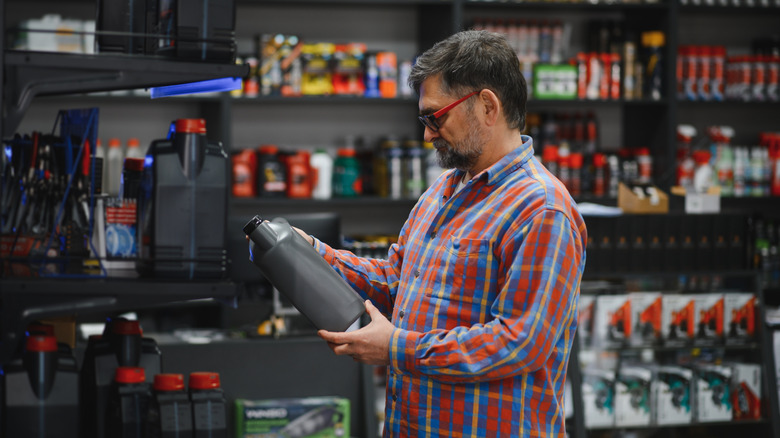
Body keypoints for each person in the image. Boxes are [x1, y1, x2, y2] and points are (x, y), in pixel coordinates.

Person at [297, 30, 587, 437]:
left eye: (436, 117)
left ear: (487, 106)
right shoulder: (443, 191)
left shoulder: (541, 209)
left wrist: (396, 348)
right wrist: (311, 253)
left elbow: (519, 343)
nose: (428, 134)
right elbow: (397, 283)